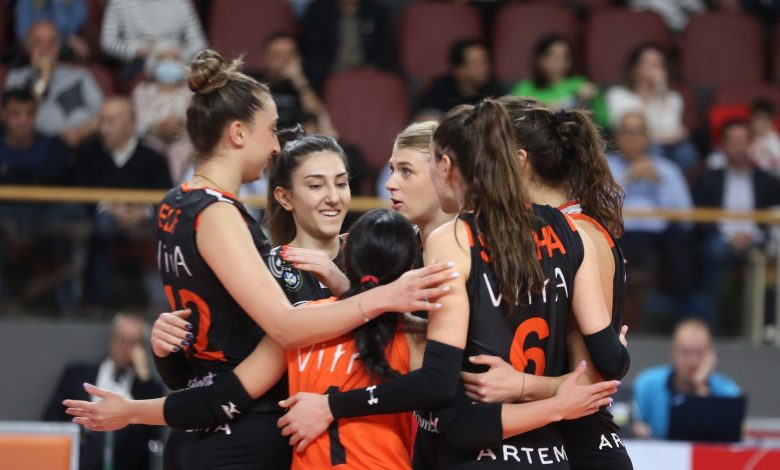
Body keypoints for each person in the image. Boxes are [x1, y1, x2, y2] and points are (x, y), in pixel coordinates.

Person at [104, 48, 450, 469]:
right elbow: (268, 343)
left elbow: (205, 364)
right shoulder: (246, 240)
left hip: (310, 441)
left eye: (342, 182)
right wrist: (163, 360)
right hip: (250, 436)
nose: (274, 147)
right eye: (270, 131)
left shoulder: (180, 204)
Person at [277, 99, 626, 469]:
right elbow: (611, 362)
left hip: (480, 451)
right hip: (550, 454)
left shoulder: (455, 238)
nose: (393, 182)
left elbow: (440, 386)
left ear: (445, 166)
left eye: (415, 167)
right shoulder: (572, 231)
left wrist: (332, 405)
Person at [458, 97, 633, 470]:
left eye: (493, 156)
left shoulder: (577, 233)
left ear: (519, 161)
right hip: (553, 438)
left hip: (585, 446)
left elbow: (591, 383)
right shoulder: (550, 230)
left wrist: (519, 384)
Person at [73, 95, 172, 311]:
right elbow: (79, 193)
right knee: (98, 228)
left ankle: (162, 304)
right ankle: (96, 303)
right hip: (103, 220)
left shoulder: (154, 157)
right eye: (102, 120)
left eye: (111, 121)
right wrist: (108, 207)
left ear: (130, 125)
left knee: (166, 230)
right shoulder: (88, 153)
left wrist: (144, 211)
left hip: (146, 222)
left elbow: (167, 198)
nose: (103, 128)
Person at [0, 87, 88, 314]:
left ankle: (68, 307)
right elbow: (44, 176)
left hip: (46, 217)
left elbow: (65, 184)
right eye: (15, 114)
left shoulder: (53, 146)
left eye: (28, 114)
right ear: (4, 114)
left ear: (35, 115)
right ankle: (4, 303)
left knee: (76, 223)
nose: (22, 121)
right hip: (5, 218)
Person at [607, 111, 696, 322]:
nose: (633, 138)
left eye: (638, 132)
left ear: (648, 136)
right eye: (627, 132)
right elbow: (595, 206)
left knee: (682, 245)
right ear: (617, 136)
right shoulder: (603, 166)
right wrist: (626, 179)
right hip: (619, 233)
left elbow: (687, 216)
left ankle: (681, 319)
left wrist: (659, 183)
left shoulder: (668, 169)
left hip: (659, 236)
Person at [44, 313, 163, 470]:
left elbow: (151, 435)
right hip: (82, 448)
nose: (125, 348)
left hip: (124, 458)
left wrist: (144, 379)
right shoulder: (77, 374)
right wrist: (79, 434)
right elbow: (51, 419)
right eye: (121, 340)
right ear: (111, 340)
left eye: (132, 342)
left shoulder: (148, 387)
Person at [692, 119, 780, 328]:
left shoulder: (768, 181)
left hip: (758, 239)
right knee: (713, 251)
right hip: (720, 238)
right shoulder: (708, 179)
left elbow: (773, 218)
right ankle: (710, 325)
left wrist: (751, 236)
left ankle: (766, 325)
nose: (739, 147)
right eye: (733, 142)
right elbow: (700, 218)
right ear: (723, 145)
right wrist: (730, 237)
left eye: (743, 141)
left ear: (751, 144)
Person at [632, 318, 741, 439]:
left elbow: (732, 434)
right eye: (685, 352)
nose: (692, 361)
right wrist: (636, 428)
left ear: (711, 355)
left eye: (699, 352)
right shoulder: (647, 384)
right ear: (674, 353)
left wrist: (701, 387)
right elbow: (631, 423)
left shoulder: (727, 392)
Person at [4, 20, 103, 146]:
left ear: (58, 46)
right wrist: (42, 77)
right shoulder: (16, 78)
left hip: (84, 142)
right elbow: (20, 118)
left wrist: (79, 134)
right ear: (28, 47)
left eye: (52, 42)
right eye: (39, 42)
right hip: (38, 147)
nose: (46, 48)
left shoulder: (80, 75)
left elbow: (103, 113)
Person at [606, 44, 698, 171]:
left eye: (659, 64)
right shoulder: (618, 95)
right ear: (634, 68)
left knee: (686, 153)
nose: (655, 68)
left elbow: (670, 126)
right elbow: (625, 129)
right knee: (655, 150)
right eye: (649, 62)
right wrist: (659, 136)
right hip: (634, 147)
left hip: (671, 145)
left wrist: (660, 91)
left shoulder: (672, 97)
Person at [509, 35, 607, 128]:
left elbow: (604, 121)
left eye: (565, 56)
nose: (561, 61)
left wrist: (594, 98)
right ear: (540, 59)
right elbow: (514, 119)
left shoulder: (580, 84)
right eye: (555, 57)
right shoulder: (525, 88)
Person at [254, 32, 337, 136]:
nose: (284, 60)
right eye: (277, 55)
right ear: (266, 58)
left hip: (296, 140)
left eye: (290, 54)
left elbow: (318, 116)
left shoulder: (307, 84)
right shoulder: (254, 84)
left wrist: (299, 81)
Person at [99, 0, 207, 79]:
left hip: (178, 60)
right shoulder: (119, 2)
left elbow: (199, 43)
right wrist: (135, 50)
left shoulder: (182, 3)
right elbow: (107, 43)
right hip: (139, 64)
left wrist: (178, 54)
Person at [301, 0, 394, 91]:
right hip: (329, 73)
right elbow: (313, 51)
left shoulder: (377, 11)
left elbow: (385, 52)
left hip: (369, 73)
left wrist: (370, 70)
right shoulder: (318, 10)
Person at [416, 38, 505, 120]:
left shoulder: (494, 88)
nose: (485, 67)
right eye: (477, 64)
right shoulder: (439, 89)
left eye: (485, 61)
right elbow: (424, 119)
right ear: (458, 69)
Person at [14, 0, 90, 60]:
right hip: (32, 49)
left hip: (60, 48)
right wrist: (68, 38)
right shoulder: (25, 2)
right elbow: (23, 33)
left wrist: (57, 2)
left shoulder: (75, 3)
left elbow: (61, 28)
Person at [748, 99, 780, 179]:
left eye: (765, 120)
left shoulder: (775, 143)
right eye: (758, 119)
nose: (761, 123)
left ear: (772, 122)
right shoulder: (748, 139)